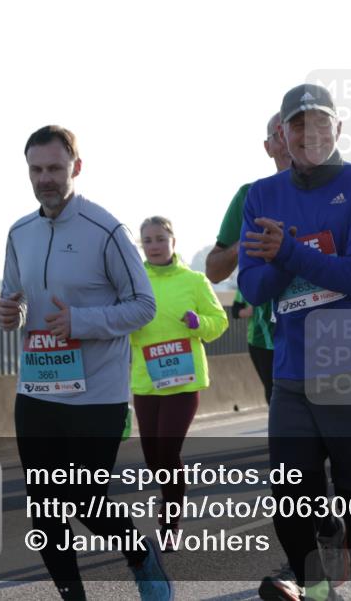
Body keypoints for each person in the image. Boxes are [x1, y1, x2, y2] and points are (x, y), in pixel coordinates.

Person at [239, 83, 351, 601]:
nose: (309, 134)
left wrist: (286, 251)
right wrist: (290, 258)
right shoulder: (261, 196)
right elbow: (253, 286)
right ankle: (318, 591)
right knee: (289, 499)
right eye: (298, 125)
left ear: (338, 129)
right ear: (282, 134)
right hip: (293, 368)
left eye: (320, 123)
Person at [0, 125, 169, 601]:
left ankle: (138, 555)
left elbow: (144, 306)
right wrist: (10, 314)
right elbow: (17, 300)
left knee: (85, 501)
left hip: (96, 394)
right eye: (36, 169)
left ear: (76, 166)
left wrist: (81, 321)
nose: (45, 179)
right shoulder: (19, 232)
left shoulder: (107, 230)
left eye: (55, 168)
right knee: (45, 508)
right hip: (36, 390)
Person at [130, 216, 228, 549]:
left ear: (173, 241)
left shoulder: (195, 281)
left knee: (168, 449)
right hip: (146, 380)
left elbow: (219, 322)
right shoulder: (134, 282)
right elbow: (120, 320)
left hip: (184, 380)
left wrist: (199, 322)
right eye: (148, 241)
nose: (154, 246)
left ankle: (170, 521)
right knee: (153, 456)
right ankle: (170, 497)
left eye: (160, 239)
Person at [205, 113, 292, 404]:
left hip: (324, 331)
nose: (288, 138)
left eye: (295, 128)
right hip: (267, 335)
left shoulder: (336, 191)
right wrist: (246, 241)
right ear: (268, 147)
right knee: (287, 427)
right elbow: (214, 271)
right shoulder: (248, 195)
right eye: (278, 134)